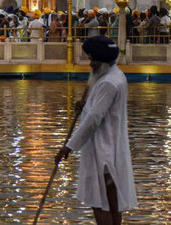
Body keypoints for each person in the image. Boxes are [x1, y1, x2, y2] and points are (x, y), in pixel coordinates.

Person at [55, 35, 137, 224]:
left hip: (103, 149)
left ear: (104, 61)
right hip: (110, 147)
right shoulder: (114, 75)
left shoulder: (108, 83)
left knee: (100, 202)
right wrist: (84, 104)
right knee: (111, 199)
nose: (90, 64)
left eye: (93, 60)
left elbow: (93, 120)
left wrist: (68, 147)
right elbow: (96, 109)